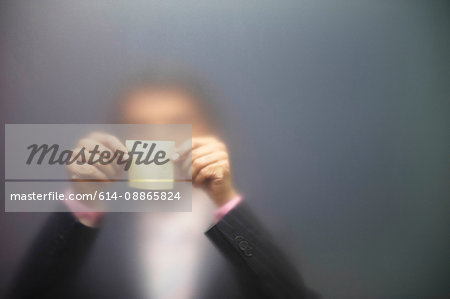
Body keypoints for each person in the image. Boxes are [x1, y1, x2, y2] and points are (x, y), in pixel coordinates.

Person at [8, 68, 319, 299]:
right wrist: (84, 202)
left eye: (177, 123)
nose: (157, 140)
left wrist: (225, 201)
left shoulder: (260, 229)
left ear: (214, 133)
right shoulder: (87, 233)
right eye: (138, 127)